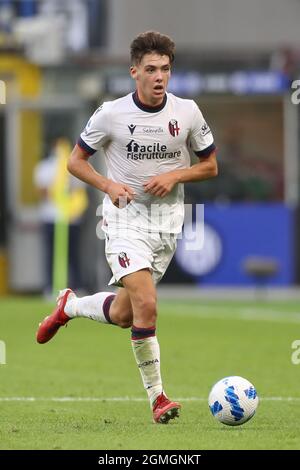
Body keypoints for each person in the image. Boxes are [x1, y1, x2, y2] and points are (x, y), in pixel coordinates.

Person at [36, 31, 218, 424]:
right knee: (147, 304)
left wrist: (175, 176)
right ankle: (158, 398)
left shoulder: (187, 112)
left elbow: (210, 166)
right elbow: (75, 162)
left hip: (166, 225)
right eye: (151, 70)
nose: (159, 78)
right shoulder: (111, 114)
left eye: (165, 70)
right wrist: (109, 185)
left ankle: (70, 305)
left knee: (124, 315)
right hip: (123, 220)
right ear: (134, 72)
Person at [34, 137, 88, 296]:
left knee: (74, 255)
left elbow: (79, 192)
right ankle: (50, 287)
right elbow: (41, 191)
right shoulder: (45, 166)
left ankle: (77, 286)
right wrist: (57, 190)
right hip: (51, 217)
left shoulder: (75, 165)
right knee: (51, 255)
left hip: (71, 219)